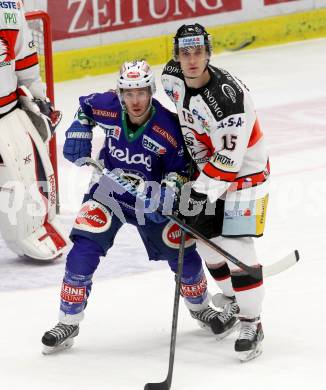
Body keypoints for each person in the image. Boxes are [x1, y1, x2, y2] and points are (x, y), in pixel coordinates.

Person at [41, 60, 239, 354]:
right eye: (129, 93)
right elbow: (86, 108)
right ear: (120, 93)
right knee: (83, 249)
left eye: (142, 92)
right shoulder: (107, 104)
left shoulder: (169, 127)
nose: (135, 101)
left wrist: (167, 195)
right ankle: (67, 321)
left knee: (181, 250)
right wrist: (79, 130)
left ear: (151, 91)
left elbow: (180, 171)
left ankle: (200, 308)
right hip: (108, 192)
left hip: (151, 198)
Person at [161, 24, 269, 361]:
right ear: (176, 55)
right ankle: (234, 298)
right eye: (185, 53)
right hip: (206, 172)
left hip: (246, 178)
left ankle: (252, 322)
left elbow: (228, 161)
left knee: (235, 246)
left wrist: (198, 193)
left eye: (198, 53)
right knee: (206, 242)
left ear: (208, 53)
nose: (191, 60)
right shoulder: (170, 78)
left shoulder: (228, 101)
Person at [0, 0, 67, 260]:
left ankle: (35, 227)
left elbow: (27, 70)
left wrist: (40, 101)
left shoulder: (7, 8)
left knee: (30, 184)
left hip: (7, 114)